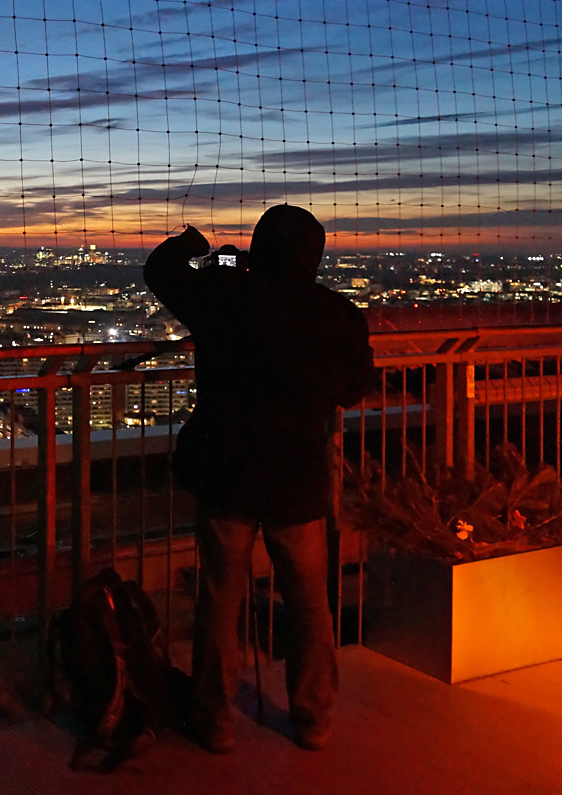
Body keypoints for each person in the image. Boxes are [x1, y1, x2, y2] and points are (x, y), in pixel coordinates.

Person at [144, 205, 376, 754]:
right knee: (309, 603)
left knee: (220, 599)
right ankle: (313, 718)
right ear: (314, 256)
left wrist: (199, 248)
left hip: (227, 473)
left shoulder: (225, 298)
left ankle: (214, 720)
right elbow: (352, 388)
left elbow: (160, 270)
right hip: (296, 481)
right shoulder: (335, 314)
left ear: (259, 246)